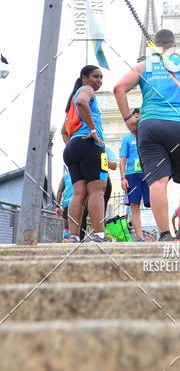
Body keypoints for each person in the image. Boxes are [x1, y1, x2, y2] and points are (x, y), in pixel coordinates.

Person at [113, 29, 180, 242]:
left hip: (149, 126)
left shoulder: (143, 66)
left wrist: (128, 119)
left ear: (154, 48)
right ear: (174, 45)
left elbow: (119, 87)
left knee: (157, 182)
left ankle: (165, 234)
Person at [61, 64, 109, 243]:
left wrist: (74, 145)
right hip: (90, 145)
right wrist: (93, 130)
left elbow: (63, 131)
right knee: (97, 191)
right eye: (96, 76)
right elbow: (82, 102)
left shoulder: (71, 100)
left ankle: (73, 236)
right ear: (84, 78)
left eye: (101, 77)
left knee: (78, 194)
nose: (99, 80)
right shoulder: (86, 90)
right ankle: (99, 235)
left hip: (72, 148)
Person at [119, 108, 150, 241]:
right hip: (132, 175)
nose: (137, 120)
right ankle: (140, 237)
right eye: (135, 117)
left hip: (147, 174)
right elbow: (122, 159)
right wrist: (123, 178)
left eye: (139, 117)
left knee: (154, 203)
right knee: (134, 206)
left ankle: (163, 232)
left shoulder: (147, 136)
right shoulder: (126, 139)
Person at [79, 146, 117, 240]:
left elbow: (114, 166)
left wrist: (98, 159)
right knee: (83, 212)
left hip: (104, 181)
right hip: (88, 181)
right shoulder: (84, 147)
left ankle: (100, 236)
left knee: (101, 212)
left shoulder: (106, 149)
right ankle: (79, 238)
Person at [55, 169, 73, 240]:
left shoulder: (65, 176)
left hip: (67, 203)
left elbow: (59, 191)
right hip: (80, 203)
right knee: (79, 225)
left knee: (66, 228)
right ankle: (78, 239)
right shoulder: (81, 172)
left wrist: (57, 206)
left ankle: (66, 240)